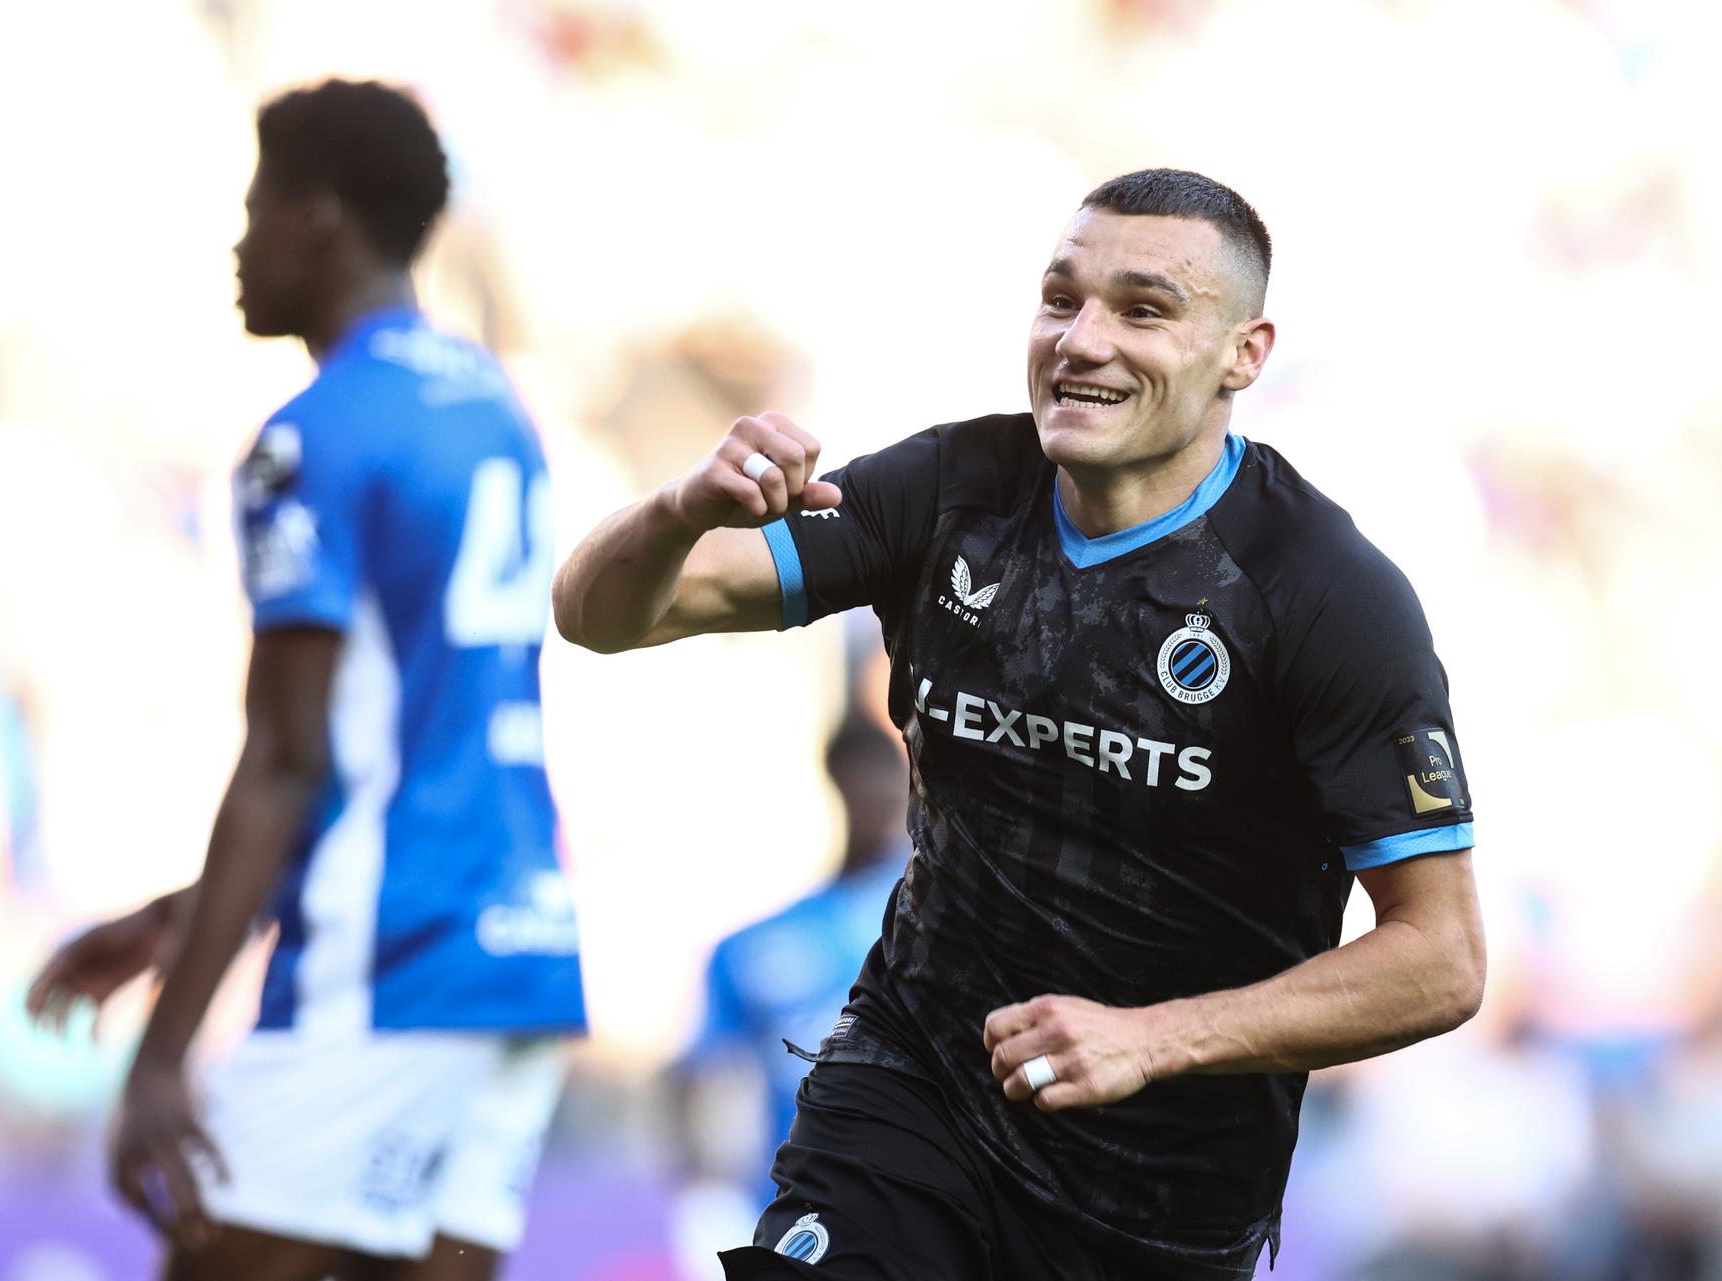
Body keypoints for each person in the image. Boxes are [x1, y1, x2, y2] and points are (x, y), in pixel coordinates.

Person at [553, 168, 1485, 1280]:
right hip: (912, 1089)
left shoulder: (1322, 595)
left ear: (1245, 353)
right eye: (1061, 299)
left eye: (1142, 310)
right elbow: (603, 616)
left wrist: (1155, 1037)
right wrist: (677, 511)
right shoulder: (950, 492)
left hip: (1159, 1197)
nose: (1081, 340)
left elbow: (1441, 959)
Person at [27, 79, 583, 1281]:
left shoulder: (310, 437)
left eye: (253, 208)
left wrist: (162, 1057)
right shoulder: (493, 407)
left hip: (390, 964)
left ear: (318, 218)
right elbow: (415, 737)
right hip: (523, 946)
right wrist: (185, 918)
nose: (238, 244)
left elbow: (290, 758)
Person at [677, 717, 910, 1215]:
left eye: (886, 777)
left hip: (919, 1200)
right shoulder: (755, 945)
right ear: (835, 781)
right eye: (861, 776)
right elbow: (701, 1077)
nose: (876, 794)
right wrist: (707, 1192)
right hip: (795, 1205)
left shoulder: (938, 928)